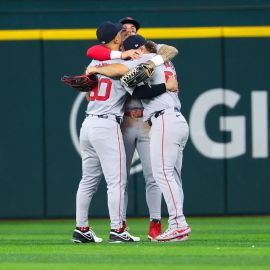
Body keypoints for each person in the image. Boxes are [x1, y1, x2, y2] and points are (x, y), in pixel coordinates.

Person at [72, 22, 179, 244]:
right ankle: (118, 229)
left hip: (88, 123)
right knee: (117, 181)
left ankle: (81, 228)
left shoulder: (93, 61)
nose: (125, 34)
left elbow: (93, 57)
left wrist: (95, 70)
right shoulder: (123, 61)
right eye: (121, 33)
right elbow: (129, 77)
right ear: (117, 39)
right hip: (107, 124)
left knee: (88, 180)